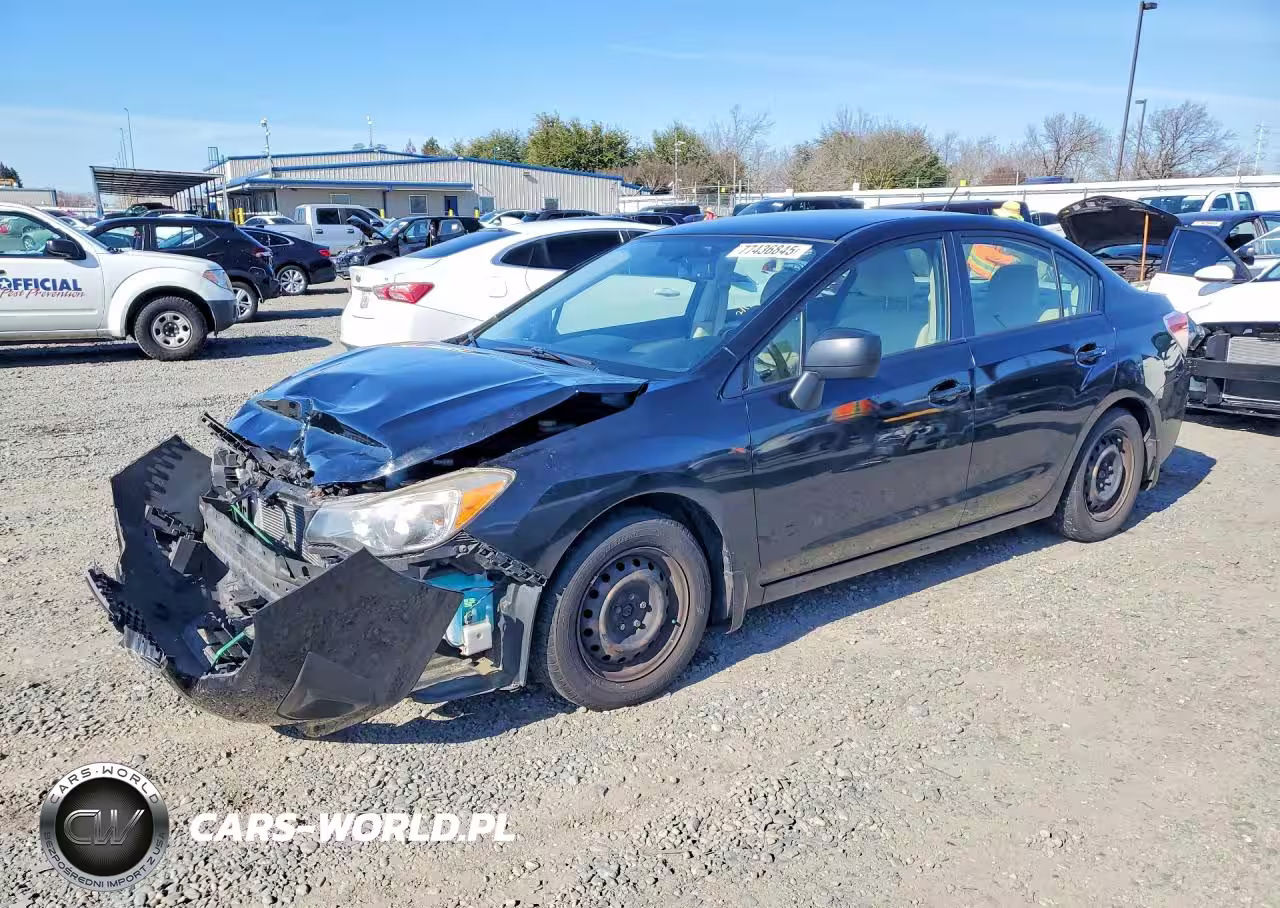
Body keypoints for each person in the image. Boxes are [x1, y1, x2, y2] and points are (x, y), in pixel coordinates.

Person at [966, 201, 1025, 279]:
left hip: (982, 276)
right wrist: (1011, 260)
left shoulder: (996, 229)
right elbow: (987, 252)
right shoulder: (991, 231)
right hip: (979, 278)